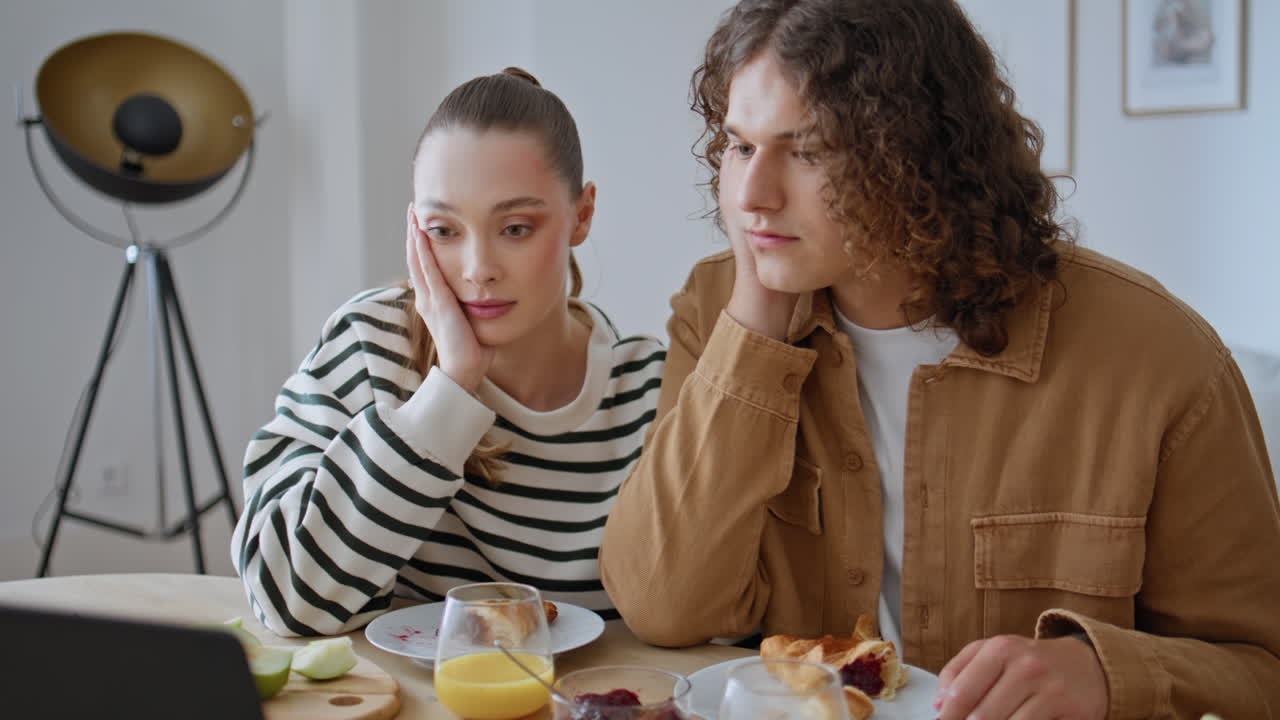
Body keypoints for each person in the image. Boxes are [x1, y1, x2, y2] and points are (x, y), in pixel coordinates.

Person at [598, 1, 1280, 718]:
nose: (751, 196)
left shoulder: (1160, 359)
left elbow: (1263, 669)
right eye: (739, 147)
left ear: (920, 156)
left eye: (808, 152)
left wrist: (1108, 674)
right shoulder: (720, 309)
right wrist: (759, 325)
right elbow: (661, 605)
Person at [232, 68, 665, 637]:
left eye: (515, 228)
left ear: (581, 215)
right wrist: (449, 393)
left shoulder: (651, 390)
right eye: (444, 230)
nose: (477, 268)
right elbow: (287, 599)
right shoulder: (370, 346)